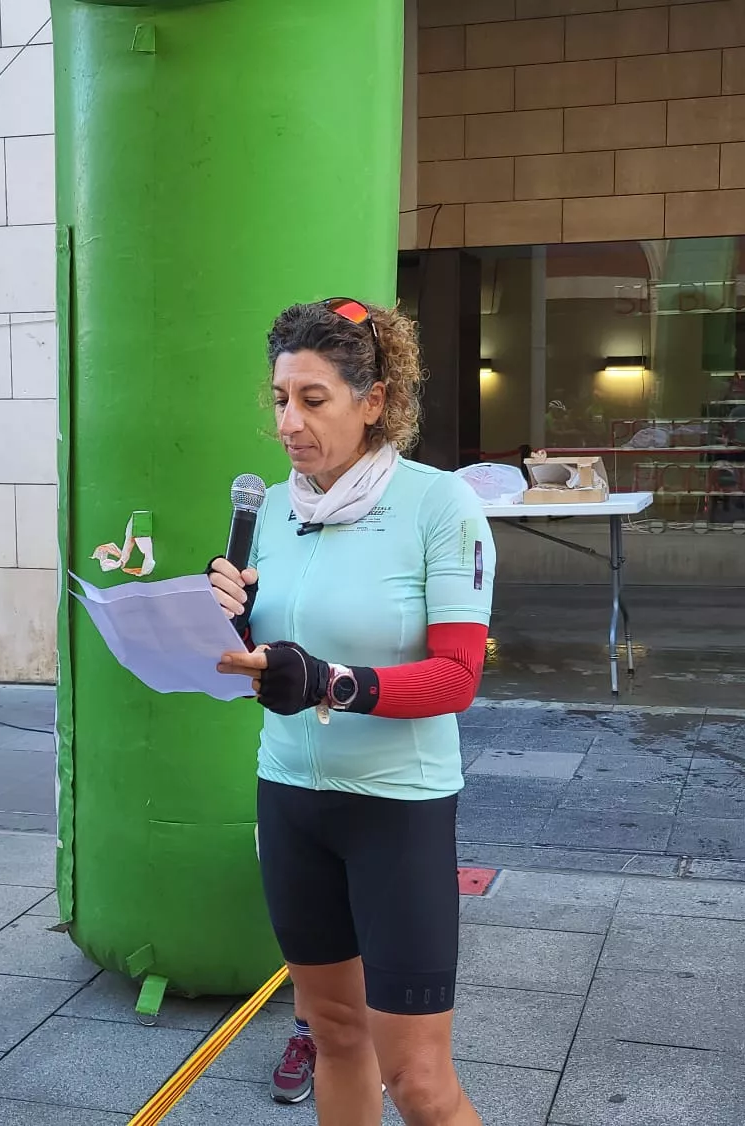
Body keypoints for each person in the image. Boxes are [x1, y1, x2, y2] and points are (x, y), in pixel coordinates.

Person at [208, 297, 494, 1126]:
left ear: (374, 402)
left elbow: (456, 678)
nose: (288, 421)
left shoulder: (439, 506)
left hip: (395, 809)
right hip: (291, 797)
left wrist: (333, 682)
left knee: (416, 1077)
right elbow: (277, 658)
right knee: (335, 1034)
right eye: (279, 399)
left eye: (312, 399)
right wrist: (228, 622)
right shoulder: (275, 513)